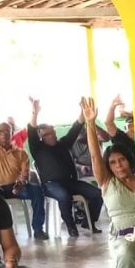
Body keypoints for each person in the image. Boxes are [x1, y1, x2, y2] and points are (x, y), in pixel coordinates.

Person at [82, 99, 135, 268]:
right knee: (126, 252)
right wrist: (90, 124)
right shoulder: (108, 183)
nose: (119, 166)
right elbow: (95, 156)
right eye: (114, 163)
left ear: (129, 160)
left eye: (122, 160)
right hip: (123, 236)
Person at [27, 96, 103, 237]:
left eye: (53, 132)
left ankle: (89, 222)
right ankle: (71, 227)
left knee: (97, 194)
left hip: (70, 182)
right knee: (64, 196)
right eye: (48, 134)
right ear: (41, 137)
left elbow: (76, 127)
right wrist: (35, 113)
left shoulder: (63, 143)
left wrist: (83, 112)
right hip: (51, 185)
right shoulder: (37, 148)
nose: (52, 135)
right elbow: (31, 131)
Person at [0, 122, 47, 239]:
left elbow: (25, 173)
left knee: (37, 191)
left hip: (16, 187)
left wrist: (21, 183)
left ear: (12, 134)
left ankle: (38, 229)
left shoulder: (21, 153)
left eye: (6, 132)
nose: (3, 135)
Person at [104, 94, 135, 171]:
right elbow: (109, 123)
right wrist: (113, 106)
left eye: (133, 123)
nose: (131, 127)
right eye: (129, 124)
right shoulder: (121, 139)